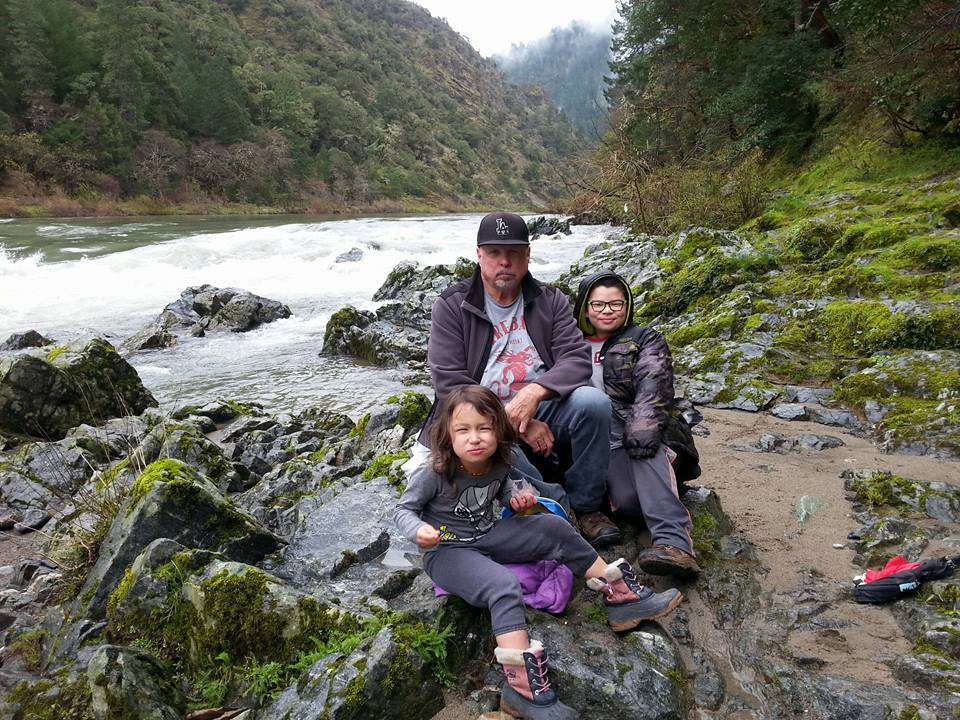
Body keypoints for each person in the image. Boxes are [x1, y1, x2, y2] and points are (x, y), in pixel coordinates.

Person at [395, 385, 682, 720]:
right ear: (447, 435)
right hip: (447, 550)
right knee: (502, 586)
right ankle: (521, 692)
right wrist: (418, 531)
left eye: (484, 428)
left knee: (553, 528)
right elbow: (404, 509)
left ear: (499, 431)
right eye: (463, 430)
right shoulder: (435, 471)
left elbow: (506, 489)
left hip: (488, 535)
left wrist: (519, 497)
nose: (474, 438)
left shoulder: (499, 462)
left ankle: (618, 595)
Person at [423, 210, 619, 547]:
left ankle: (589, 508)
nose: (505, 262)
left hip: (542, 405)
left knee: (594, 403)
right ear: (479, 255)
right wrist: (514, 421)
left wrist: (534, 394)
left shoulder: (549, 300)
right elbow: (449, 383)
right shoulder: (452, 306)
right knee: (491, 444)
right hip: (479, 416)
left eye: (514, 253)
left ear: (527, 256)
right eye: (495, 253)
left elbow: (575, 359)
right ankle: (560, 506)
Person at [572, 271, 701, 577]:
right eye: (599, 304)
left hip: (636, 428)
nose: (607, 311)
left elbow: (654, 385)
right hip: (594, 438)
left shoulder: (645, 339)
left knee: (645, 446)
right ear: (585, 307)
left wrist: (641, 432)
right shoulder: (567, 342)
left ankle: (675, 544)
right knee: (631, 506)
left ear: (627, 306)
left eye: (615, 304)